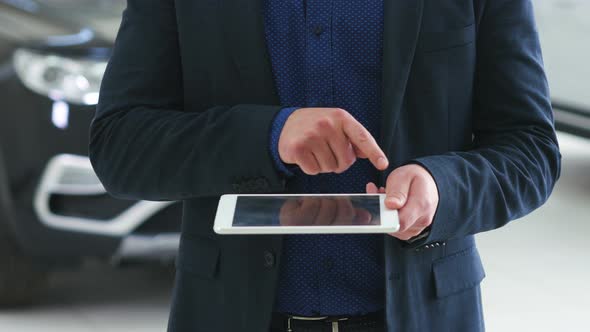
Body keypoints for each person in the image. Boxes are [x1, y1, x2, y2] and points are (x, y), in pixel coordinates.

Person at [89, 0, 561, 331]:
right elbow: (120, 145)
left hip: (423, 315)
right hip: (232, 314)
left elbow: (530, 148)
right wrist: (269, 136)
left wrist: (442, 187)